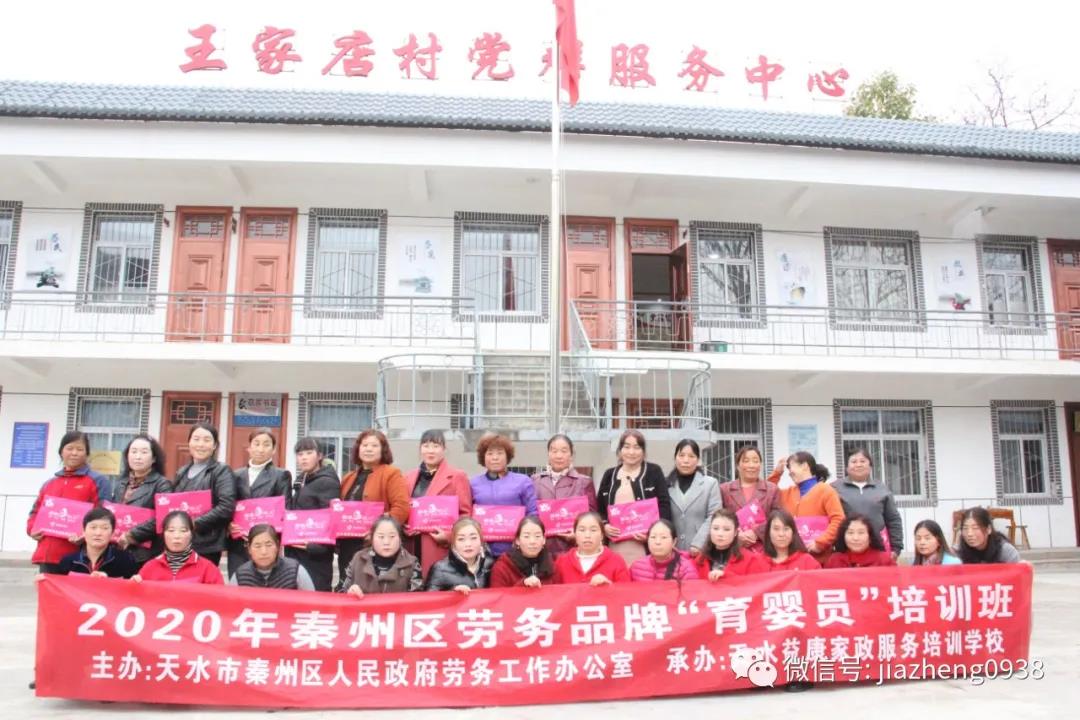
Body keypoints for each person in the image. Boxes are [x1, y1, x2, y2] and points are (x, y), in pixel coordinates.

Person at [338, 430, 410, 586]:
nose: (368, 449)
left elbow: (401, 507)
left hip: (376, 545)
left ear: (383, 450)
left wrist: (378, 532)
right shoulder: (348, 477)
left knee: (371, 588)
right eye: (364, 445)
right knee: (348, 586)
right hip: (347, 544)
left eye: (374, 445)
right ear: (358, 449)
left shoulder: (391, 473)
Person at [26, 431, 105, 573]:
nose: (74, 453)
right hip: (47, 555)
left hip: (79, 557)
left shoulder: (97, 480)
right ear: (61, 452)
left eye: (80, 449)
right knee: (47, 588)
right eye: (70, 448)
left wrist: (87, 534)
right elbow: (35, 511)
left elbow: (104, 514)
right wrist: (32, 529)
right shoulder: (50, 483)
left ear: (87, 454)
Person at [597, 430, 673, 566]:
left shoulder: (654, 471)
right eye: (626, 447)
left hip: (645, 547)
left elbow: (664, 506)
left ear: (643, 451)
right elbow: (599, 508)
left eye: (637, 447)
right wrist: (604, 526)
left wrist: (652, 534)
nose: (631, 452)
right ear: (620, 450)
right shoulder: (609, 475)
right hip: (614, 546)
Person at [402, 429, 472, 577]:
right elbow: (404, 508)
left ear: (444, 449)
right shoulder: (408, 477)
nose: (430, 450)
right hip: (411, 544)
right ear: (420, 449)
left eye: (436, 446)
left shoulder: (457, 477)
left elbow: (465, 514)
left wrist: (449, 536)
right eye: (426, 446)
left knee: (435, 584)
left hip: (438, 546)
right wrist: (404, 525)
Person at [228, 427, 292, 579]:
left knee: (265, 584)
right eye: (256, 444)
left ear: (274, 449)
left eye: (266, 444)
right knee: (238, 583)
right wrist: (229, 524)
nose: (261, 449)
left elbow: (285, 510)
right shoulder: (235, 475)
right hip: (238, 542)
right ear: (249, 448)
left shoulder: (281, 475)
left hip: (265, 543)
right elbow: (228, 504)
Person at [171, 423, 237, 569]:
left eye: (207, 440)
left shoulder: (221, 471)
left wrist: (194, 523)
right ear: (189, 442)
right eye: (196, 439)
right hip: (180, 540)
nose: (201, 444)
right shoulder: (181, 472)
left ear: (214, 446)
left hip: (207, 544)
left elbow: (226, 507)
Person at [469, 434, 538, 558]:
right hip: (482, 552)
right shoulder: (473, 484)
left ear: (507, 456)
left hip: (516, 551)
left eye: (500, 453)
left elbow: (532, 514)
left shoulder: (523, 481)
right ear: (483, 457)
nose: (495, 458)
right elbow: (467, 515)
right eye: (490, 453)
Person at [285, 437, 341, 592]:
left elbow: (331, 518)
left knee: (315, 596)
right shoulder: (303, 480)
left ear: (320, 455)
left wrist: (317, 547)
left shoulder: (327, 482)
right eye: (300, 454)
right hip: (297, 549)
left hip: (314, 556)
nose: (304, 458)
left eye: (309, 453)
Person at [768, 452, 844, 564]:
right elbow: (768, 492)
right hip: (793, 559)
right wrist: (777, 473)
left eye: (791, 467)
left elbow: (839, 519)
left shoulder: (826, 491)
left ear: (805, 466)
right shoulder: (787, 493)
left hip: (820, 560)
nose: (789, 473)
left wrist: (821, 542)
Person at [532, 434, 597, 558]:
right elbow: (531, 515)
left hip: (573, 550)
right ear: (548, 454)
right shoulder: (535, 481)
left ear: (571, 455)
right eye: (554, 451)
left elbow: (593, 518)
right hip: (541, 551)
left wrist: (578, 534)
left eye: (564, 451)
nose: (559, 455)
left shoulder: (584, 482)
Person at [113, 434, 172, 568]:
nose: (138, 457)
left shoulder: (162, 484)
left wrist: (132, 535)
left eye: (144, 452)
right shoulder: (121, 483)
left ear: (154, 458)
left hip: (146, 553)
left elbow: (163, 517)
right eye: (133, 452)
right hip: (119, 548)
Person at [834, 448, 903, 557]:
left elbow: (893, 519)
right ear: (847, 467)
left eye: (862, 461)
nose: (858, 465)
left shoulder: (882, 488)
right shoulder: (834, 488)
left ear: (870, 466)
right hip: (845, 550)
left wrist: (896, 547)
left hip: (878, 549)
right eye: (854, 461)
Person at [340, 516, 423, 596]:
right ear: (372, 538)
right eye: (381, 537)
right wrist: (350, 592)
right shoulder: (358, 559)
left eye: (392, 536)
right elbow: (341, 593)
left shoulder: (411, 563)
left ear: (400, 538)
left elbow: (417, 599)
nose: (386, 542)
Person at [135, 510, 224, 584]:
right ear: (163, 534)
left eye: (183, 531)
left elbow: (220, 596)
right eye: (171, 530)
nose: (177, 536)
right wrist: (134, 585)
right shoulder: (150, 568)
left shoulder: (208, 569)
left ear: (191, 534)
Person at [718, 445, 780, 549]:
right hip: (733, 548)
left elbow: (777, 518)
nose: (751, 465)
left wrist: (756, 532)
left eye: (755, 461)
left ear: (760, 465)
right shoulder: (725, 489)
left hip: (763, 549)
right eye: (746, 461)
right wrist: (736, 534)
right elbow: (719, 518)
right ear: (738, 465)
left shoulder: (772, 489)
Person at [665, 439, 721, 555]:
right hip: (671, 551)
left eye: (691, 456)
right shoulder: (665, 484)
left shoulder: (710, 484)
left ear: (698, 460)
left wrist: (698, 544)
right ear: (675, 458)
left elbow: (714, 516)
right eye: (681, 455)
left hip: (701, 551)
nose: (686, 460)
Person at [54, 507, 138, 578]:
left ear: (112, 533)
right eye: (93, 527)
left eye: (105, 528)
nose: (98, 533)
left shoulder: (125, 560)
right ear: (83, 531)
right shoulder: (69, 561)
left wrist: (108, 581)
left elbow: (130, 589)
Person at [553, 512, 632, 585]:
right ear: (575, 534)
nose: (587, 535)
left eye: (593, 530)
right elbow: (554, 592)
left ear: (602, 535)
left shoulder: (616, 561)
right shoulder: (562, 562)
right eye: (582, 530)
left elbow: (626, 591)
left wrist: (608, 587)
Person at [230, 524, 315, 590]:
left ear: (278, 546)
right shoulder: (240, 576)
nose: (264, 552)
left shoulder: (295, 571)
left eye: (269, 545)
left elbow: (311, 601)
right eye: (257, 546)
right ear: (249, 549)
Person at [424, 518, 495, 593]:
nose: (468, 544)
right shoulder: (440, 569)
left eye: (473, 538)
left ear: (481, 540)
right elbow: (429, 598)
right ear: (454, 543)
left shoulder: (489, 564)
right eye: (461, 539)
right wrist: (452, 592)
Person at [694, 508, 767, 581]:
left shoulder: (750, 559)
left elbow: (756, 584)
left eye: (726, 529)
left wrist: (725, 576)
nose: (720, 534)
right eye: (715, 528)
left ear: (735, 532)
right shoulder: (700, 559)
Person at [490, 516, 558, 588]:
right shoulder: (502, 567)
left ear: (544, 540)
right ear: (517, 540)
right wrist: (523, 585)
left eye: (537, 536)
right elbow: (497, 594)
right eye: (526, 536)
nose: (532, 541)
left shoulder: (552, 564)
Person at [629, 519, 699, 582]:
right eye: (653, 537)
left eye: (664, 537)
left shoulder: (686, 570)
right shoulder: (637, 567)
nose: (658, 542)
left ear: (674, 542)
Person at [825, 515, 897, 568]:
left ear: (870, 536)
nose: (855, 538)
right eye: (850, 533)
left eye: (861, 533)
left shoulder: (884, 560)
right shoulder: (835, 560)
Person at [956, 507, 1021, 564]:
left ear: (989, 529)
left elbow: (1016, 572)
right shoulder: (957, 552)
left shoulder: (1006, 551)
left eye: (975, 528)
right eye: (965, 528)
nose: (969, 534)